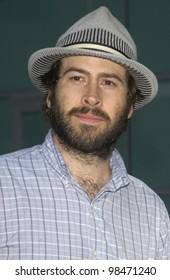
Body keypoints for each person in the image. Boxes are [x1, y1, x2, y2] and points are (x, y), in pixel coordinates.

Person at [0, 6, 169, 260]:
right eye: (77, 78)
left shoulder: (151, 211)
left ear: (130, 106)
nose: (92, 97)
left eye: (108, 82)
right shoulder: (4, 186)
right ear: (50, 95)